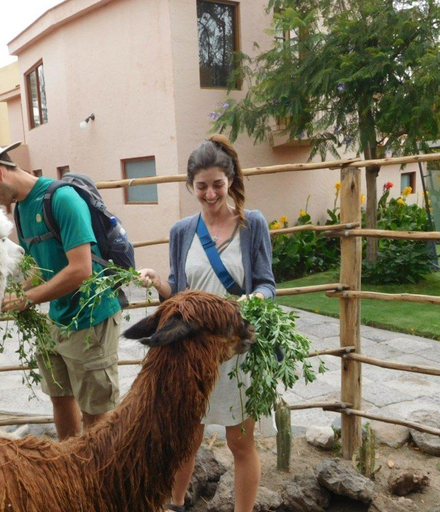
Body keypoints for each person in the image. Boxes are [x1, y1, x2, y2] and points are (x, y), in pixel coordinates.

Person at [138, 134, 276, 512]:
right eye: (202, 187)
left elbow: (267, 283)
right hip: (193, 353)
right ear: (190, 186)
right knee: (187, 437)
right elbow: (178, 293)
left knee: (240, 444)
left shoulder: (253, 225)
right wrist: (156, 281)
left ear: (230, 181)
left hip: (236, 350)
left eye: (217, 184)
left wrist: (256, 299)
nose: (211, 194)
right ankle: (177, 505)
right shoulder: (182, 231)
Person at [0, 136, 122, 441]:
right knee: (60, 397)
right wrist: (14, 293)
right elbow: (37, 267)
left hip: (90, 317)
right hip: (56, 318)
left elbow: (81, 269)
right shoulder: (20, 209)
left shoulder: (62, 199)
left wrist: (27, 298)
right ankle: (67, 468)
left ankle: (100, 479)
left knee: (96, 411)